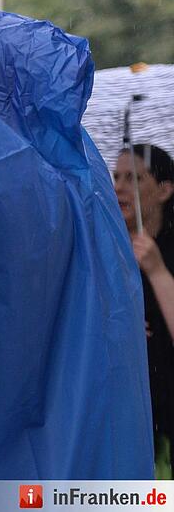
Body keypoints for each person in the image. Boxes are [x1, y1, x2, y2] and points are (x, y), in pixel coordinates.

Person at [114, 144, 174, 478]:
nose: (119, 186)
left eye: (134, 178)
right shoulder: (108, 250)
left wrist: (157, 270)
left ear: (164, 190)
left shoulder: (164, 251)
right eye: (116, 176)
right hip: (125, 420)